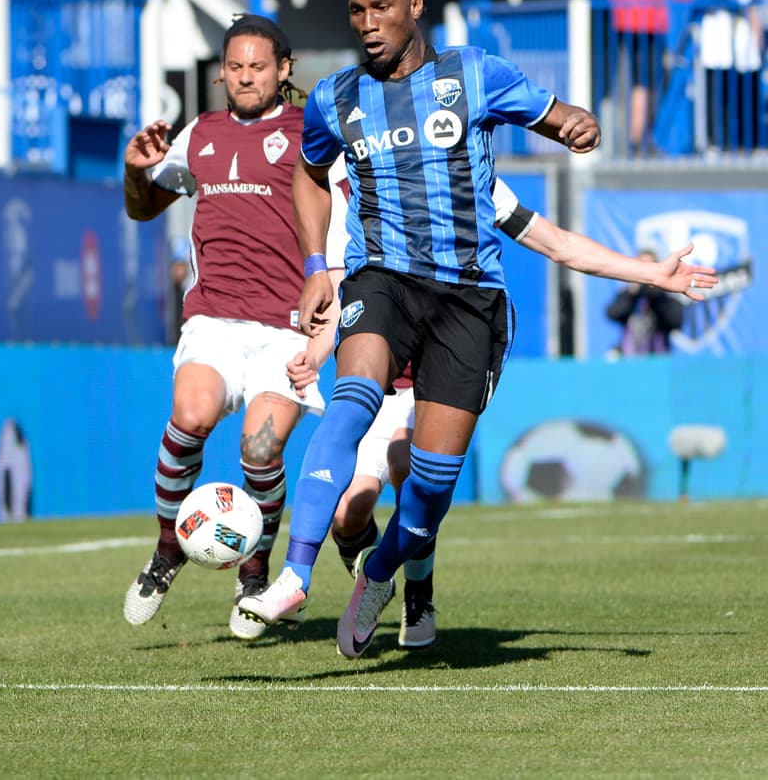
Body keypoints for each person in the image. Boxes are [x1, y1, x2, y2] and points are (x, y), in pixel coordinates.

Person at [237, 0, 714, 659]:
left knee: (427, 491)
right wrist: (315, 266)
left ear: (417, 6)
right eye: (357, 12)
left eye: (383, 8)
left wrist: (586, 139)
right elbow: (307, 175)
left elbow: (559, 183)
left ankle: (380, 570)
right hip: (383, 282)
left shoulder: (474, 80)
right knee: (352, 397)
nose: (368, 24)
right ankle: (295, 574)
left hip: (469, 301)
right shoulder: (338, 100)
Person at [287, 178, 718, 650]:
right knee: (349, 512)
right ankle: (333, 575)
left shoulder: (475, 176)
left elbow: (558, 244)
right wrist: (315, 350)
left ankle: (407, 589)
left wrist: (650, 273)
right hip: (377, 371)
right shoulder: (362, 174)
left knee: (410, 467)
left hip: (436, 376)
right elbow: (338, 284)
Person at [120, 13, 342, 641]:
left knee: (260, 448)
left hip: (286, 326)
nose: (245, 78)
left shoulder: (310, 133)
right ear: (222, 72)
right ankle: (167, 552)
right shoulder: (201, 133)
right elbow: (145, 209)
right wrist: (138, 171)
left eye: (258, 67)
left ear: (284, 70)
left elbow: (345, 214)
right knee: (188, 419)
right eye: (235, 67)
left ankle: (255, 568)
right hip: (214, 317)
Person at [608, 0, 691, 157]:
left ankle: (636, 139)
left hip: (624, 23)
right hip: (649, 24)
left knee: (636, 83)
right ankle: (641, 140)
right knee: (648, 83)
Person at [699, 0, 762, 154]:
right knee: (718, 97)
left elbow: (755, 6)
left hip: (743, 44)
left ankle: (752, 143)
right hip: (718, 45)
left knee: (748, 95)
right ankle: (717, 143)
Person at [605, 248, 686, 355]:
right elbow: (613, 314)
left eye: (649, 267)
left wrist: (656, 294)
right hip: (631, 355)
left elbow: (676, 321)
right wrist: (631, 293)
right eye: (642, 267)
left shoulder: (664, 297)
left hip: (658, 355)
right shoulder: (629, 295)